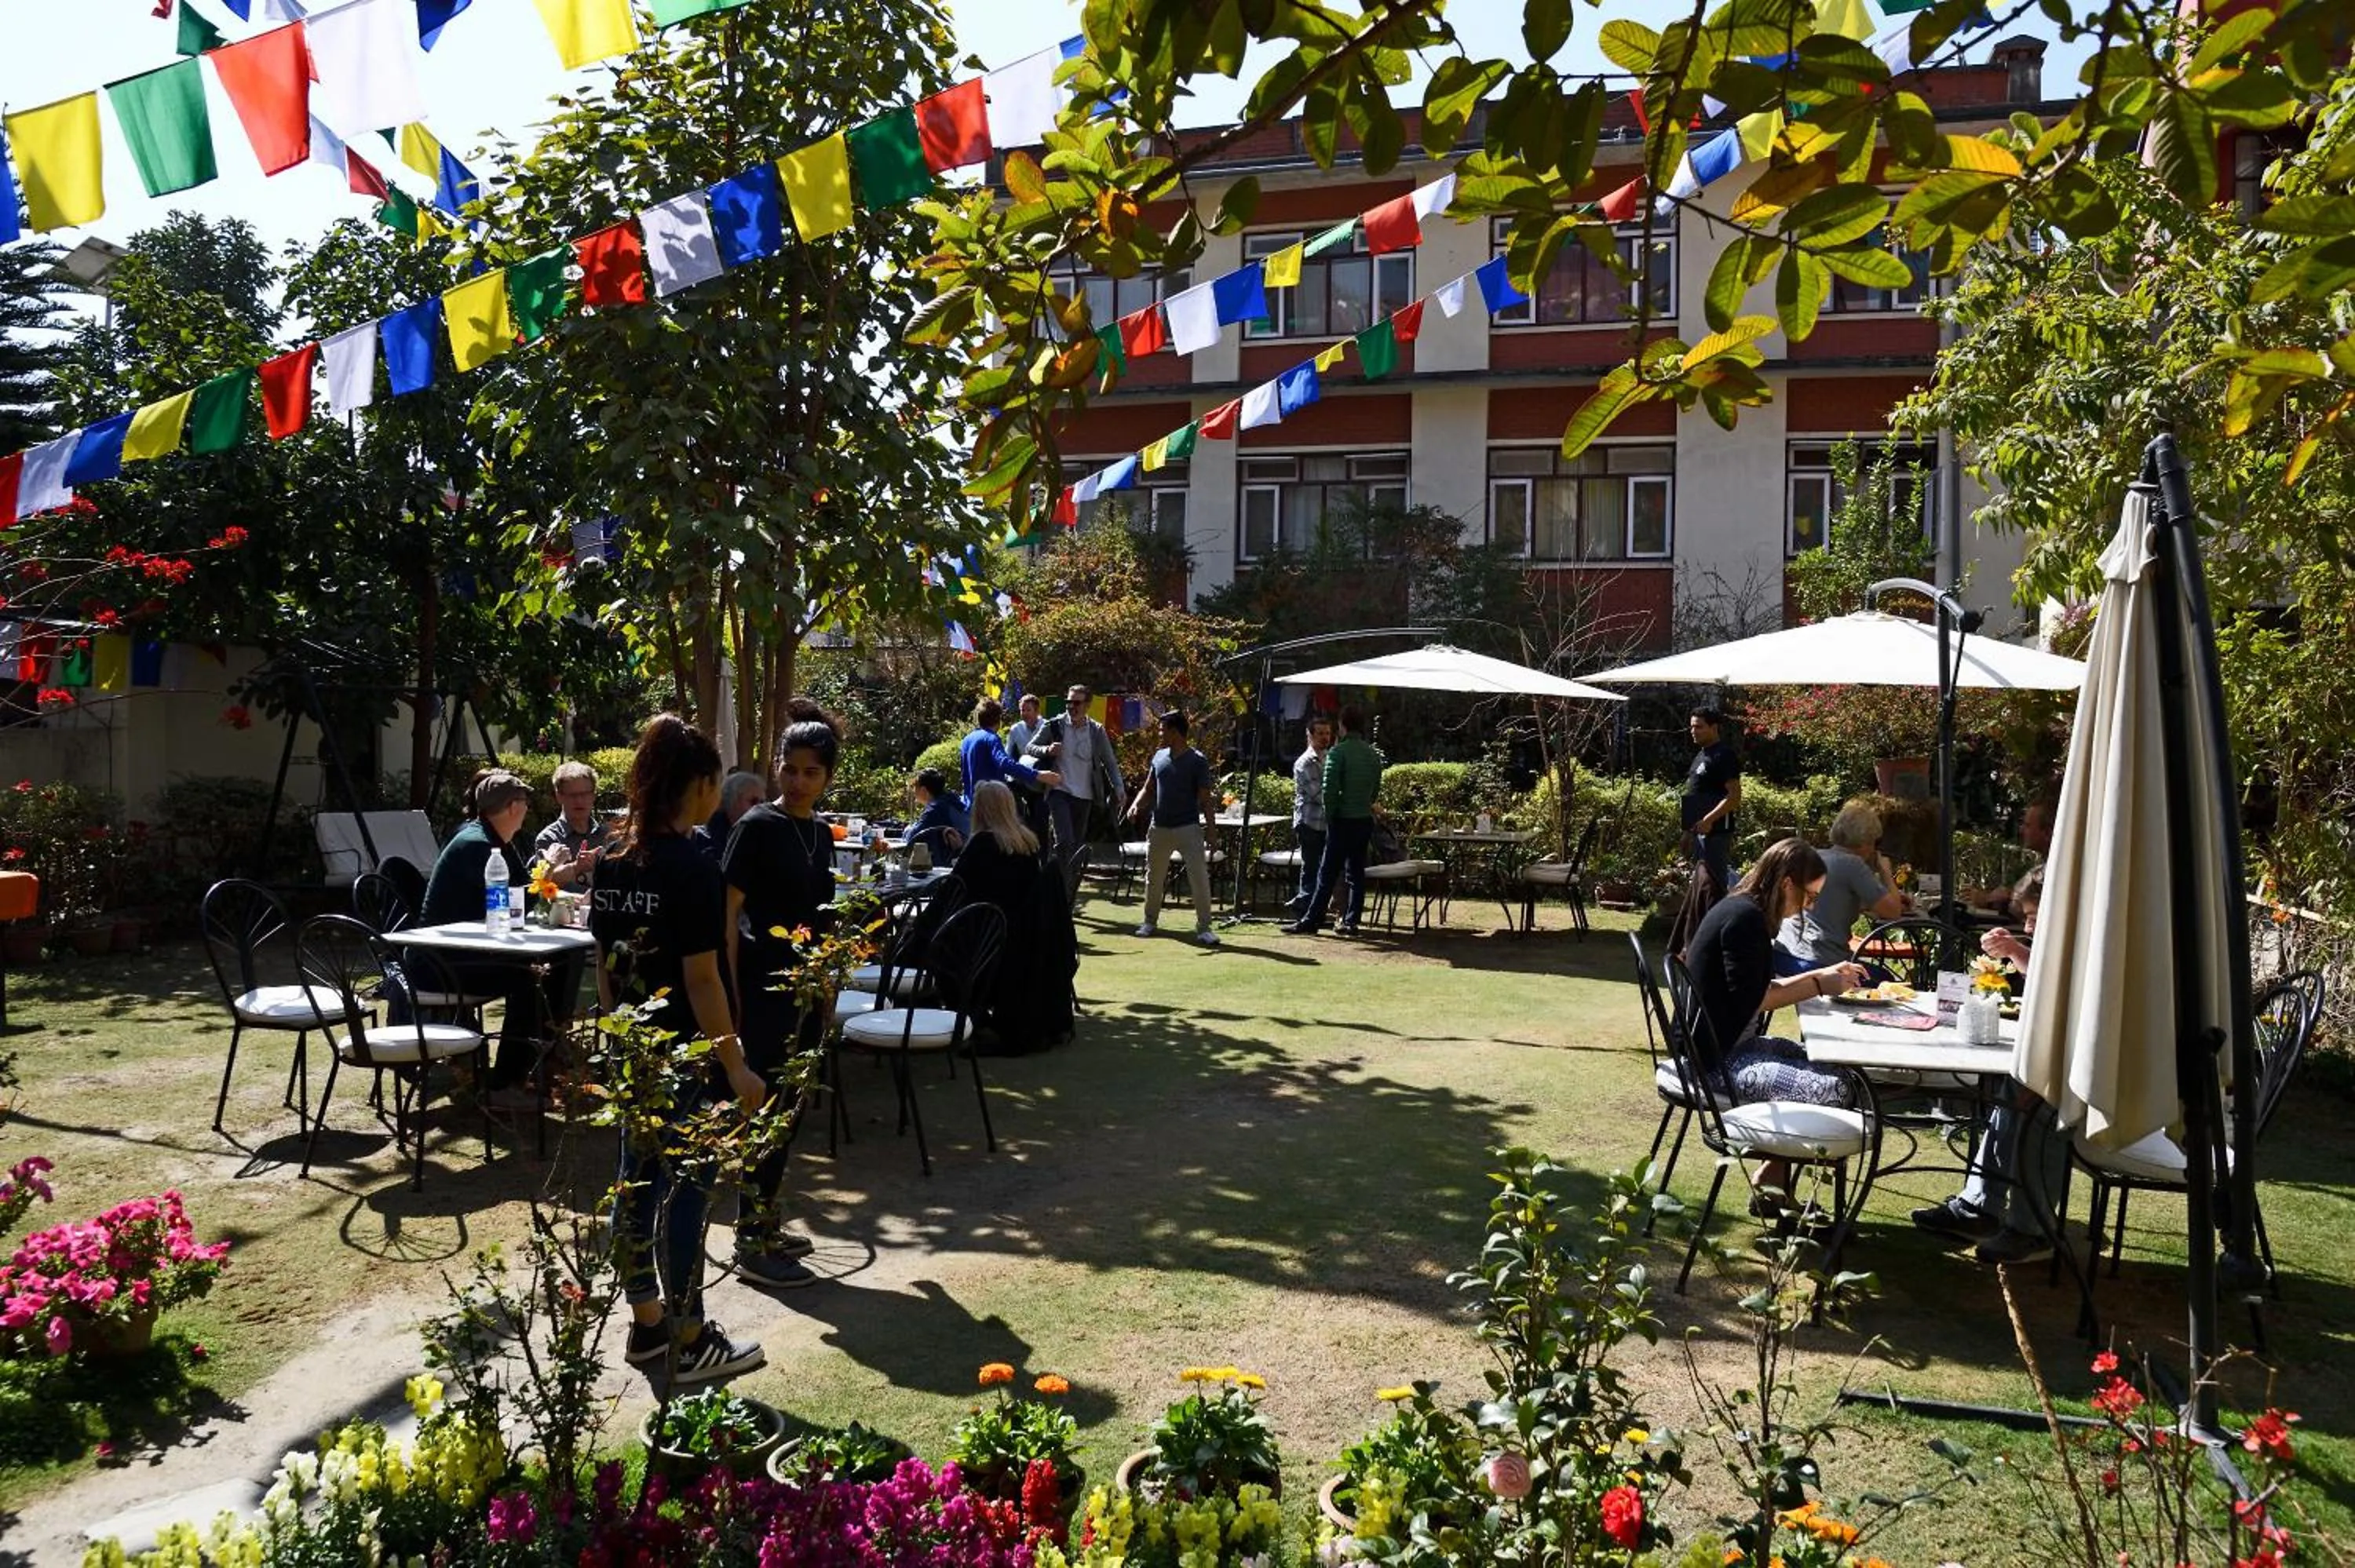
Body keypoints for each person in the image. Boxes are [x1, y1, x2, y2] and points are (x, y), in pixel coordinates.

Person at [590, 713, 767, 1385]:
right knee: (688, 1189)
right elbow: (702, 978)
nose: (714, 798)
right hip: (687, 1059)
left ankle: (648, 1326)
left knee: (636, 1183)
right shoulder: (694, 866)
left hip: (633, 1050)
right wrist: (736, 1064)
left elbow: (605, 963)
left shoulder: (610, 860)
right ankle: (690, 1335)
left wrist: (618, 1042)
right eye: (713, 785)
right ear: (694, 785)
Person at [718, 719, 844, 1287]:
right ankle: (750, 1240)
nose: (797, 781)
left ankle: (766, 1222)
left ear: (827, 778)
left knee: (788, 1113)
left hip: (807, 987)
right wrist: (730, 993)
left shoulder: (819, 833)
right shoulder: (757, 826)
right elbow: (726, 914)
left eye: (810, 772)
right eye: (789, 769)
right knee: (764, 1112)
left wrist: (828, 984)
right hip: (762, 988)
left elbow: (820, 918)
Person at [1681, 837, 1868, 1202]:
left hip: (1725, 1045)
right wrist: (1819, 983)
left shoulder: (1742, 909)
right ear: (1786, 884)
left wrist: (1827, 973)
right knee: (1837, 1088)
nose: (1810, 906)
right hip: (1717, 1060)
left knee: (1844, 1071)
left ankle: (1773, 1178)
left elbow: (1757, 987)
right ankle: (1772, 1180)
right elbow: (1762, 998)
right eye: (1809, 897)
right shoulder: (1746, 920)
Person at [1912, 870, 2061, 1264]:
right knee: (2015, 1089)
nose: (2027, 924)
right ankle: (1980, 1207)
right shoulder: (2061, 944)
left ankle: (2032, 1229)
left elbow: (2061, 992)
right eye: (2026, 916)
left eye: (2034, 915)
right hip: (2053, 1055)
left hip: (2087, 1075)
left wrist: (2015, 949)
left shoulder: (2087, 945)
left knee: (2043, 1100)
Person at [421, 770, 579, 1107]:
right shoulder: (477, 845)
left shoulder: (495, 842)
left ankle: (537, 1063)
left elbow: (524, 896)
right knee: (533, 976)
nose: (527, 808)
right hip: (441, 963)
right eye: (524, 802)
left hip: (468, 952)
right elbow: (512, 901)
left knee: (562, 962)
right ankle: (505, 1083)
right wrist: (549, 868)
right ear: (512, 807)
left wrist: (562, 884)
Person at [952, 780, 1079, 1050]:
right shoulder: (1027, 843)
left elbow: (957, 888)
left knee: (942, 942)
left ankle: (954, 1012)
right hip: (1028, 935)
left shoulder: (981, 846)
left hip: (995, 940)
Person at [1775, 800, 1910, 974]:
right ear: (1865, 842)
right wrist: (1885, 872)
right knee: (1885, 979)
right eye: (1874, 843)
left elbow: (1833, 903)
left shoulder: (1814, 856)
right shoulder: (1853, 865)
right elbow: (1893, 912)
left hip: (1784, 953)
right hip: (1818, 961)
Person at [1124, 709, 1220, 946]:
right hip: (1160, 827)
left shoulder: (1197, 761)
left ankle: (1204, 928)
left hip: (1188, 827)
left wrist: (1211, 831)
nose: (1159, 733)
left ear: (1175, 732)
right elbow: (1148, 788)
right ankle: (1149, 921)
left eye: (1162, 729)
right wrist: (1136, 805)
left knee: (1199, 878)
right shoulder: (1159, 757)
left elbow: (1206, 799)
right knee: (1154, 877)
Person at [1286, 706, 1382, 937]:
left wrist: (1332, 818)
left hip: (1342, 821)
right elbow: (1375, 789)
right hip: (1363, 820)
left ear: (1342, 726)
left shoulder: (1338, 753)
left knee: (1326, 874)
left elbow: (1328, 792)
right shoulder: (1372, 755)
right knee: (1356, 873)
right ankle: (1351, 922)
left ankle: (1311, 921)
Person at [1024, 684, 1126, 900]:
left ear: (1088, 705)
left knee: (1076, 846)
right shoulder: (1055, 725)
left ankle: (1068, 889)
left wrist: (1119, 788)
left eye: (1077, 702)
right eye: (1069, 702)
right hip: (1058, 790)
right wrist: (1047, 750)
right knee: (1065, 840)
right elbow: (1030, 748)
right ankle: (1058, 890)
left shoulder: (1096, 730)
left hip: (1086, 796)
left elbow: (1110, 762)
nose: (1071, 706)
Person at [1682, 709, 1743, 896]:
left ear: (1714, 728)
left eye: (1699, 727)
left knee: (1713, 884)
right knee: (1701, 884)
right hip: (1698, 832)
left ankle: (1715, 922)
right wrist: (1686, 831)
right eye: (1692, 727)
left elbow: (1734, 797)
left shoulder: (1723, 755)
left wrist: (1708, 820)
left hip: (1716, 833)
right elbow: (1696, 794)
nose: (1693, 731)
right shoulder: (1701, 756)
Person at [958, 698, 1060, 807]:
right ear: (998, 720)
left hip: (971, 803)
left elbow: (964, 774)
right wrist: (1037, 775)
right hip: (990, 802)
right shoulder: (991, 738)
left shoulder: (967, 740)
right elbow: (1004, 763)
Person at [534, 760, 610, 890]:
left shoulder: (607, 835)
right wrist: (575, 867)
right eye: (573, 795)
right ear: (559, 797)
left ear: (593, 795)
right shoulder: (549, 838)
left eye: (585, 794)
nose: (579, 801)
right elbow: (542, 883)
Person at [1287, 715, 1334, 921]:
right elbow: (1318, 795)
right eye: (1320, 734)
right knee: (1312, 867)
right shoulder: (1305, 762)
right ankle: (1304, 908)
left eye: (1327, 733)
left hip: (1325, 823)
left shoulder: (1329, 757)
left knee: (1323, 868)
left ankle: (1309, 907)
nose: (1325, 738)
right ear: (1310, 735)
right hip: (1309, 821)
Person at [696, 771, 767, 860]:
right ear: (731, 800)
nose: (759, 808)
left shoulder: (763, 837)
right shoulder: (705, 840)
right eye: (753, 802)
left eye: (763, 803)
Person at [906, 768, 969, 862]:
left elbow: (912, 838)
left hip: (952, 863)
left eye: (915, 787)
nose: (914, 792)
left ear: (923, 790)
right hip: (966, 856)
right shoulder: (953, 801)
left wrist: (907, 829)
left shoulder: (934, 810)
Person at [1006, 693, 1045, 758]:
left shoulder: (1046, 726)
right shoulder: (1016, 729)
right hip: (1024, 765)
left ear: (1037, 711)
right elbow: (1008, 753)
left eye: (1028, 710)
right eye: (1022, 710)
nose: (1025, 713)